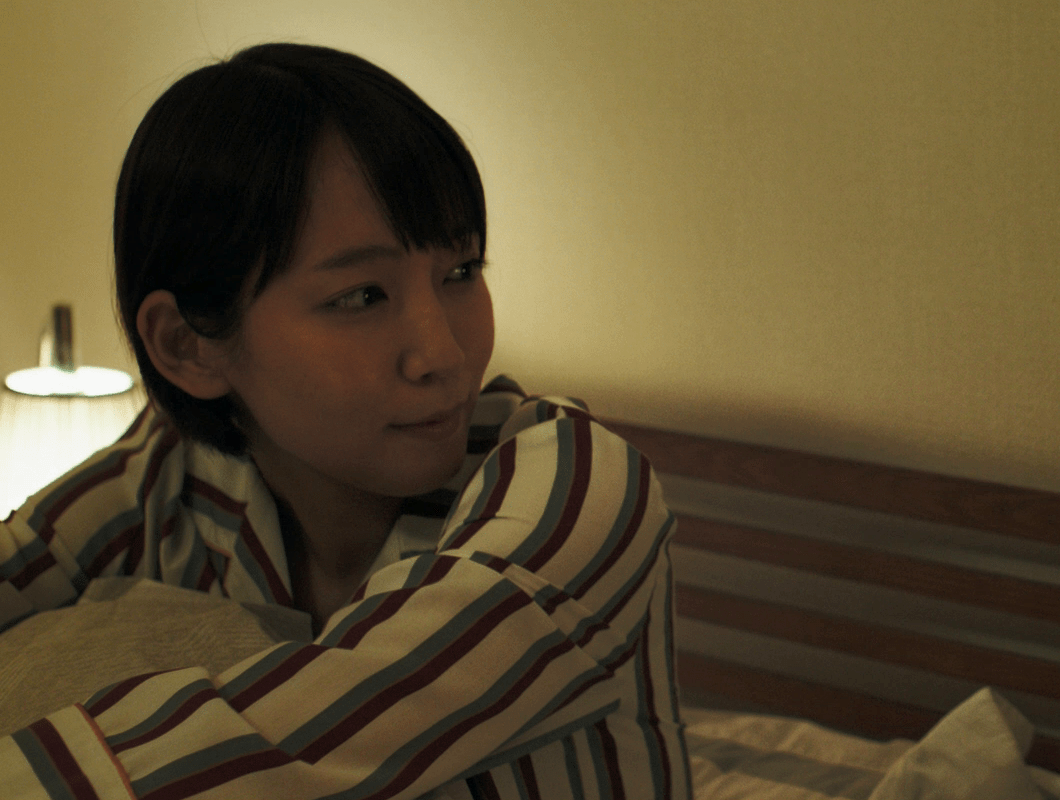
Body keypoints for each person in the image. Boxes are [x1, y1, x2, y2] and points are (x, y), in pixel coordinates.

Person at [0, 44, 690, 799]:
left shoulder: (575, 485)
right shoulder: (169, 477)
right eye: (362, 296)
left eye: (461, 272)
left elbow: (292, 744)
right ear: (188, 345)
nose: (443, 353)